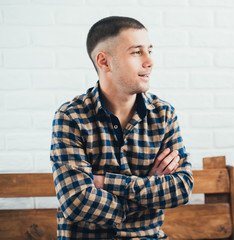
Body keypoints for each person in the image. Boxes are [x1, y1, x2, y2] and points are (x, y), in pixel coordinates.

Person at [50, 16, 193, 239]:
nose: (150, 61)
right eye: (137, 52)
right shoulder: (71, 117)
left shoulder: (164, 114)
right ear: (104, 62)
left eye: (150, 51)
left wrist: (107, 182)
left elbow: (181, 188)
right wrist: (147, 191)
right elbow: (75, 202)